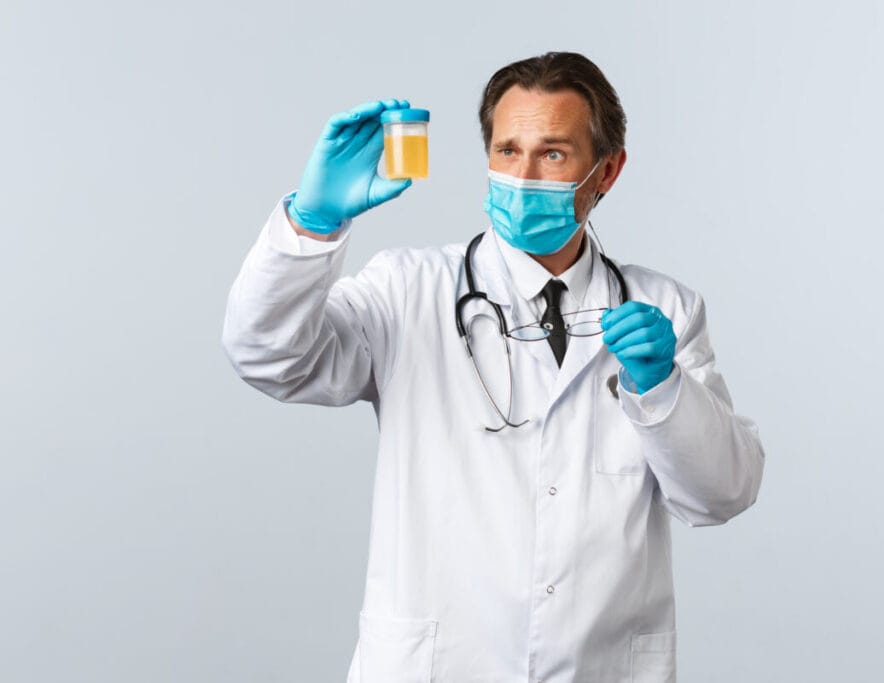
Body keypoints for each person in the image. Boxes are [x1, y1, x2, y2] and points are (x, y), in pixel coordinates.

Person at [222, 51, 764, 683]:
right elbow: (269, 356)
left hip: (603, 666)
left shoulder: (664, 308)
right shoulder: (408, 290)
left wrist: (665, 390)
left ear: (607, 171)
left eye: (554, 153)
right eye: (508, 150)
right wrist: (311, 226)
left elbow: (721, 495)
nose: (524, 175)